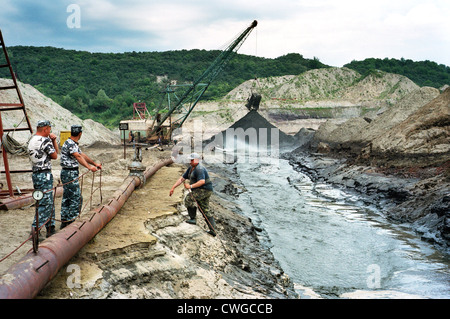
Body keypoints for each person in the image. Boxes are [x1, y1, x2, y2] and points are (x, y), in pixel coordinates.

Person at [60, 125, 102, 229]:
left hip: (67, 173)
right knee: (76, 198)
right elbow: (78, 156)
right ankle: (71, 223)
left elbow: (82, 155)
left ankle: (65, 221)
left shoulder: (70, 143)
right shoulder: (71, 144)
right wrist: (89, 167)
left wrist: (94, 163)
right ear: (80, 134)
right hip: (70, 173)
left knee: (67, 197)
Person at [169, 153, 216, 236]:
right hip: (204, 190)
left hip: (204, 190)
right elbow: (182, 179)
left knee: (189, 199)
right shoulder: (191, 168)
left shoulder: (200, 169)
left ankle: (193, 218)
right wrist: (173, 187)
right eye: (190, 160)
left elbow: (202, 181)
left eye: (191, 160)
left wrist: (190, 186)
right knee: (204, 208)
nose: (190, 162)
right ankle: (213, 229)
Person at [27, 120, 59, 238]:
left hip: (36, 174)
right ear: (45, 129)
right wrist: (53, 140)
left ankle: (50, 227)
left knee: (45, 200)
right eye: (49, 129)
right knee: (45, 202)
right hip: (44, 174)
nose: (50, 131)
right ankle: (36, 229)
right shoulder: (45, 141)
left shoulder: (32, 139)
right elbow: (55, 155)